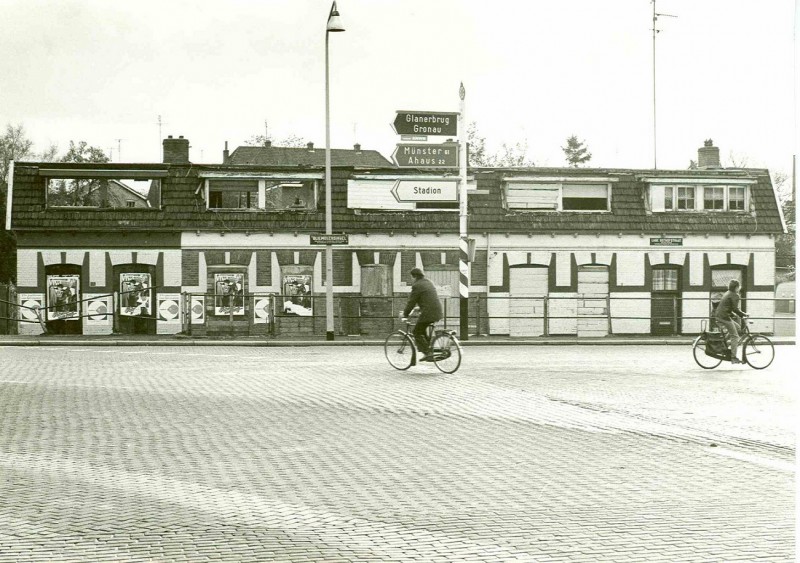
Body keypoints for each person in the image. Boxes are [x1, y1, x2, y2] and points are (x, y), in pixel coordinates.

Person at [401, 268, 443, 360]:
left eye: (411, 277)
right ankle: (428, 351)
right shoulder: (428, 282)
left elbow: (411, 302)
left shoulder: (417, 285)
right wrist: (419, 307)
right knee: (422, 330)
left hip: (428, 313)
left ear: (414, 276)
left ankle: (428, 353)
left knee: (416, 332)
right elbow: (428, 298)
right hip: (438, 311)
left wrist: (405, 315)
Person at [714, 279, 748, 364]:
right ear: (736, 287)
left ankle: (723, 344)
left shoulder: (728, 292)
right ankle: (733, 357)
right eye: (738, 286)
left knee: (737, 328)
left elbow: (728, 306)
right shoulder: (735, 295)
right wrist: (743, 314)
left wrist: (734, 314)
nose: (739, 288)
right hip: (724, 317)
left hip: (720, 315)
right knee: (735, 336)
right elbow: (735, 308)